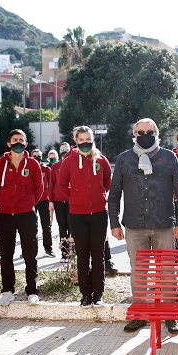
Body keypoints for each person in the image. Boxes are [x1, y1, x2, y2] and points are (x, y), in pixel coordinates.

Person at [108, 118, 178, 334]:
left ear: (157, 133)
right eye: (139, 131)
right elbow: (114, 194)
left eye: (149, 131)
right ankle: (140, 315)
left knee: (168, 273)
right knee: (139, 272)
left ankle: (169, 316)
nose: (144, 134)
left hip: (164, 225)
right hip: (135, 226)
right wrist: (114, 223)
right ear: (133, 134)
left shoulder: (169, 157)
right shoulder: (124, 159)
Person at [56, 126, 112, 308]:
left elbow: (107, 182)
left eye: (88, 139)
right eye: (81, 140)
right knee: (82, 256)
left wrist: (98, 196)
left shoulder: (101, 160)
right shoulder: (68, 161)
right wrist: (75, 197)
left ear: (93, 139)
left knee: (98, 255)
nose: (85, 142)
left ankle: (98, 295)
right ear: (75, 141)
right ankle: (86, 295)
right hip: (77, 215)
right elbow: (62, 184)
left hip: (99, 214)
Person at [0, 129, 43, 306]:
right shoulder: (0, 164)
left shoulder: (33, 165)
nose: (18, 143)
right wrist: (6, 202)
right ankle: (7, 290)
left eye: (21, 140)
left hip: (27, 215)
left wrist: (28, 204)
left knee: (30, 254)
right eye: (15, 140)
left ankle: (32, 291)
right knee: (6, 254)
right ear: (9, 143)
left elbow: (39, 189)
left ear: (26, 144)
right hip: (5, 215)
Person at [50, 143, 72, 261]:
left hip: (70, 200)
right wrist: (50, 201)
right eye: (62, 150)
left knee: (71, 226)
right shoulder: (55, 166)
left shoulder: (72, 163)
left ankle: (72, 252)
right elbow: (51, 184)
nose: (64, 151)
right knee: (62, 227)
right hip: (58, 201)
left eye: (66, 149)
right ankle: (64, 253)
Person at [32, 149, 54, 257]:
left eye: (39, 156)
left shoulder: (46, 169)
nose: (37, 157)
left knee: (46, 226)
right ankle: (30, 250)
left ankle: (48, 248)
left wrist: (51, 201)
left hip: (44, 200)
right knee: (31, 227)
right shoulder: (28, 168)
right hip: (32, 201)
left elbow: (51, 186)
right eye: (34, 156)